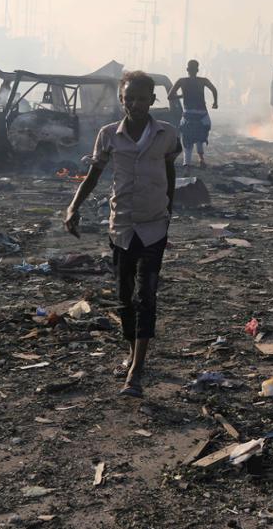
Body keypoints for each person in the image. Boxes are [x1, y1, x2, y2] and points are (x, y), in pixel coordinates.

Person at [64, 71, 182, 398]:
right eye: (129, 98)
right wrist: (73, 207)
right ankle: (133, 350)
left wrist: (169, 208)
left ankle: (136, 371)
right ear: (121, 100)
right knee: (124, 298)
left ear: (152, 100)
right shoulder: (108, 136)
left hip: (154, 225)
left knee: (146, 296)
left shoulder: (167, 134)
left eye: (142, 98)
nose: (135, 104)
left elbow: (170, 170)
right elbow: (93, 175)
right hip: (121, 228)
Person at [168, 60, 218, 170]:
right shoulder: (203, 81)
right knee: (201, 135)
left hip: (188, 115)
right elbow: (214, 89)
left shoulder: (181, 81)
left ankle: (187, 165)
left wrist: (182, 96)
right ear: (197, 70)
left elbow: (170, 96)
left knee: (186, 139)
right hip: (202, 115)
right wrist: (215, 103)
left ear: (187, 70)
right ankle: (201, 159)